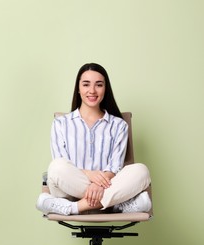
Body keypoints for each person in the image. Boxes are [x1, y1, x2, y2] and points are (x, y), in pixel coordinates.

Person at [36, 63, 152, 216]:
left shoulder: (119, 125)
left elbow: (114, 167)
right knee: (56, 166)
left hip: (107, 184)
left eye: (99, 85)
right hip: (70, 189)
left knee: (141, 171)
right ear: (78, 89)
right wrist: (90, 175)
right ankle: (116, 205)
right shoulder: (61, 123)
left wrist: (98, 186)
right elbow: (61, 161)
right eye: (86, 84)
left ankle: (76, 207)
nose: (92, 91)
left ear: (105, 89)